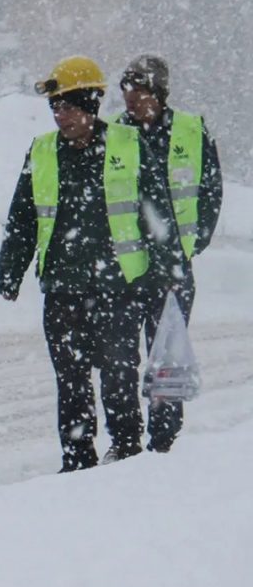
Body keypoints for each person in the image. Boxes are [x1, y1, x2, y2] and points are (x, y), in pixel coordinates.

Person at [0, 56, 186, 472]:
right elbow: (23, 216)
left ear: (90, 105)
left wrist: (169, 270)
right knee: (71, 378)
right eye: (56, 108)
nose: (61, 116)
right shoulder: (43, 151)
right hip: (62, 286)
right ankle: (77, 456)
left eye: (69, 106)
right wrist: (10, 271)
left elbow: (158, 213)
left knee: (118, 372)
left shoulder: (128, 145)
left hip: (119, 286)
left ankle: (126, 448)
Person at [113, 54, 223, 453]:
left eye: (138, 90)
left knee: (167, 359)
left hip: (173, 268)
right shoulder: (116, 135)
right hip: (126, 270)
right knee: (120, 360)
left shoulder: (191, 131)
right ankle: (125, 440)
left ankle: (163, 440)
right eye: (126, 90)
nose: (130, 99)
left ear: (157, 93)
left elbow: (210, 191)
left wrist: (192, 243)